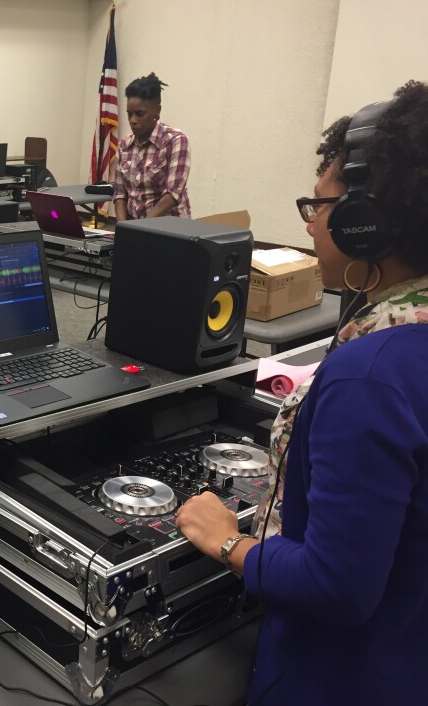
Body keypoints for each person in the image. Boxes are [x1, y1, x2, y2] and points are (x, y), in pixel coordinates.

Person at [175, 81, 428, 705]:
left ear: (365, 224)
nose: (311, 223)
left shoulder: (370, 376)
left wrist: (226, 539)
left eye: (318, 206)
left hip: (341, 677)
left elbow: (336, 587)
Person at [112, 73, 191, 220]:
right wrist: (123, 229)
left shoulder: (175, 140)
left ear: (157, 111)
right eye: (129, 114)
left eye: (139, 114)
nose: (132, 120)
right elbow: (120, 194)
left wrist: (141, 230)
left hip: (170, 230)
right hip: (134, 228)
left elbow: (172, 194)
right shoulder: (124, 145)